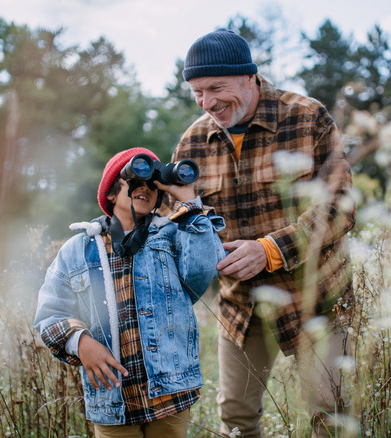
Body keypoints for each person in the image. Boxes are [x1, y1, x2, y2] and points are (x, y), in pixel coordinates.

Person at [173, 29, 356, 437]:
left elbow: (339, 205)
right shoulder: (192, 143)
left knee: (330, 415)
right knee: (236, 421)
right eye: (197, 93)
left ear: (250, 75)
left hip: (314, 299)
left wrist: (270, 249)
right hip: (241, 306)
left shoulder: (307, 117)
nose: (208, 103)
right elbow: (182, 223)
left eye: (216, 88)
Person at [34, 147, 226, 437]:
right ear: (111, 194)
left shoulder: (172, 236)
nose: (145, 189)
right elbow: (49, 314)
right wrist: (80, 342)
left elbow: (204, 268)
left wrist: (189, 204)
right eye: (135, 181)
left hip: (169, 393)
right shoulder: (77, 251)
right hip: (112, 399)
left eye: (153, 184)